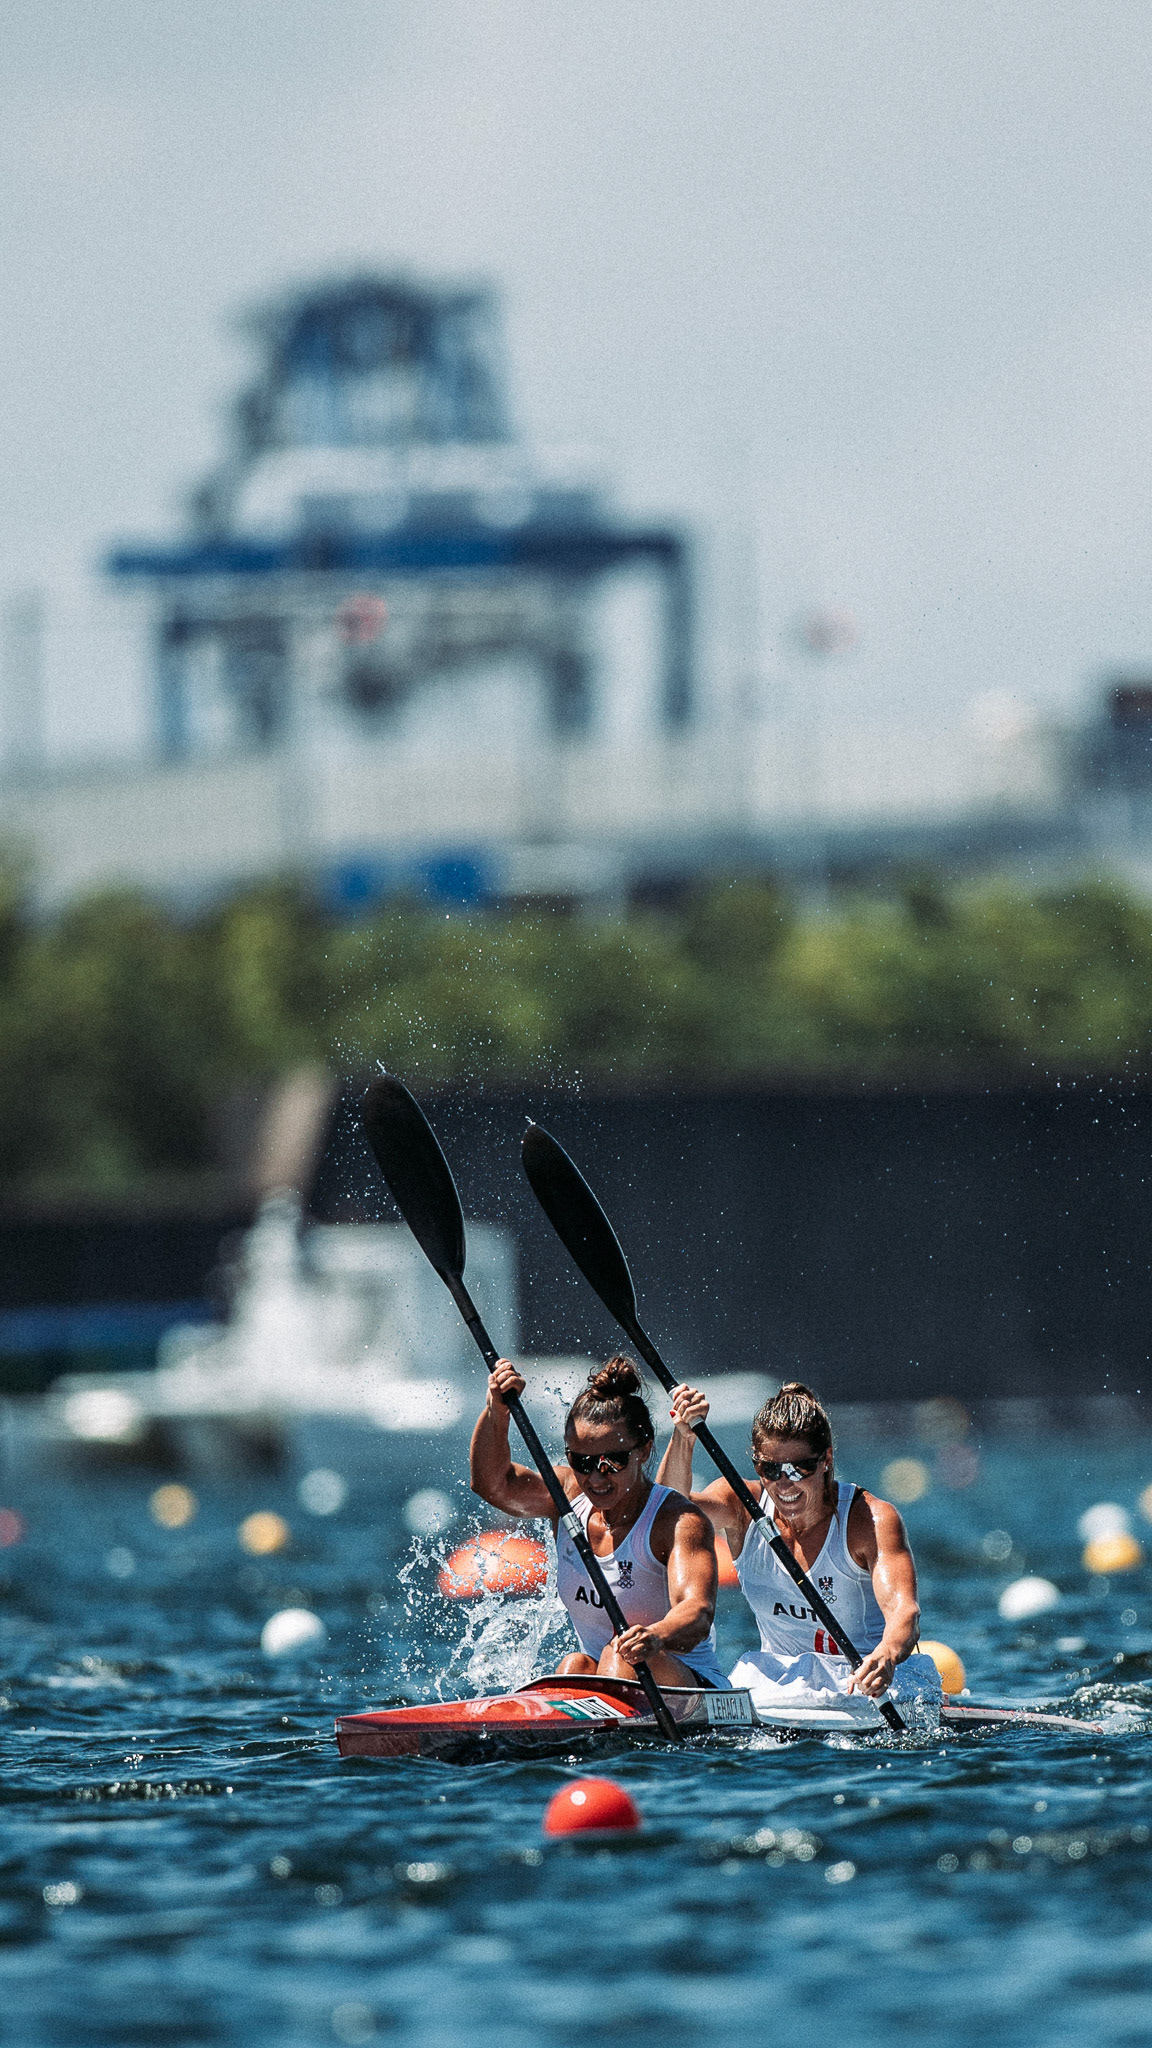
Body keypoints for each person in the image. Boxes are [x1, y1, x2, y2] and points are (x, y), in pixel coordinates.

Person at [657, 1378, 939, 1717]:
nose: (784, 1483)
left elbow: (904, 1611)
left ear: (826, 1460)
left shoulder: (869, 1519)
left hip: (864, 1685)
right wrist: (684, 1437)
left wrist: (887, 1654)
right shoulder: (742, 1506)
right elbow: (669, 1511)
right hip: (780, 1685)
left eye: (799, 1468)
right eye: (770, 1469)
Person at [470, 1355, 729, 1690]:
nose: (596, 1477)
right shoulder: (566, 1498)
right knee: (573, 1665)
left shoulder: (677, 1520)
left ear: (644, 1450)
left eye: (612, 1461)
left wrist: (654, 1636)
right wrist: (496, 1410)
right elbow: (491, 1485)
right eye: (583, 1462)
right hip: (607, 1681)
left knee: (620, 1655)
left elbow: (696, 1613)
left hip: (687, 1685)